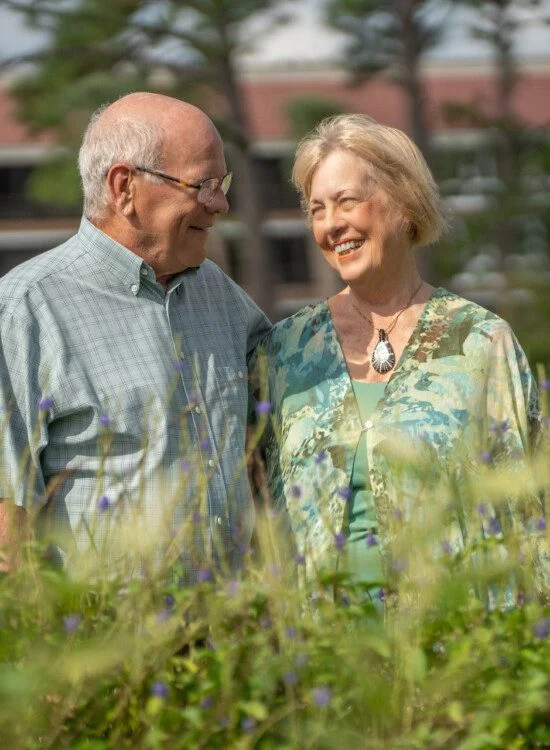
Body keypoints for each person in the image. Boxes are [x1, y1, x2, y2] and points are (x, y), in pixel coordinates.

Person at [260, 114, 543, 596]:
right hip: (324, 649)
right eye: (317, 209)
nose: (332, 225)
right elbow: (259, 509)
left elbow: (530, 510)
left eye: (347, 201)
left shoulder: (480, 341)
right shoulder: (284, 350)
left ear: (404, 203)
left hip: (451, 643)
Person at [0, 92, 271, 576]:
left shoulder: (222, 297)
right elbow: (7, 519)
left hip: (233, 639)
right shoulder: (24, 310)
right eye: (202, 184)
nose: (221, 203)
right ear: (124, 187)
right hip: (101, 642)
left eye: (222, 183)